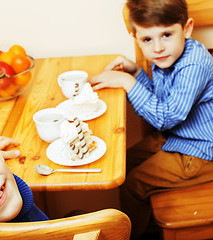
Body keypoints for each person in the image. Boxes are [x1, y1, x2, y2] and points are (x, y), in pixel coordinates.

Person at [88, 0, 213, 238]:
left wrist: (128, 83)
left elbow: (166, 117)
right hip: (175, 137)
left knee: (133, 185)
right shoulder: (170, 55)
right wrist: (135, 72)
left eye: (166, 34)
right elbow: (159, 101)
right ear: (135, 37)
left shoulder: (194, 63)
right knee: (124, 164)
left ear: (186, 29)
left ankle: (140, 236)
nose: (157, 48)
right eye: (147, 39)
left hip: (200, 151)